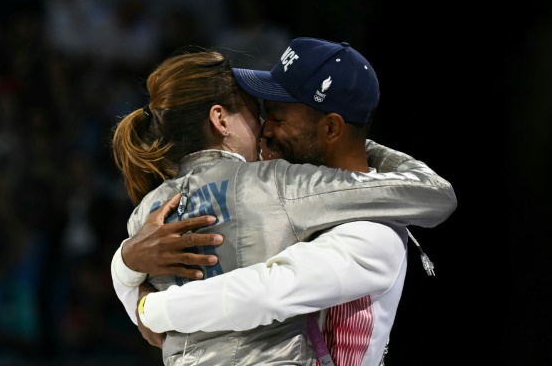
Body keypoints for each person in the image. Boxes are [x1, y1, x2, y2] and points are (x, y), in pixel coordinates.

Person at [110, 42, 456, 365]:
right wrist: (126, 262)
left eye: (277, 116)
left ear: (331, 128)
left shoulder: (371, 232)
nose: (265, 130)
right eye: (262, 114)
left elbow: (265, 293)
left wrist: (150, 307)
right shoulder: (276, 190)